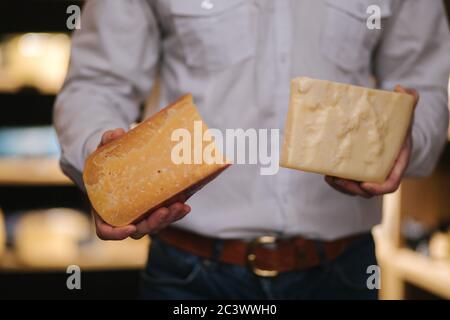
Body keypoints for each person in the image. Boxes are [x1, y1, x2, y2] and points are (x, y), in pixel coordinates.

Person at [54, 0, 450, 299]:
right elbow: (96, 84)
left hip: (343, 271)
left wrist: (408, 139)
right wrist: (105, 168)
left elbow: (426, 82)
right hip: (189, 276)